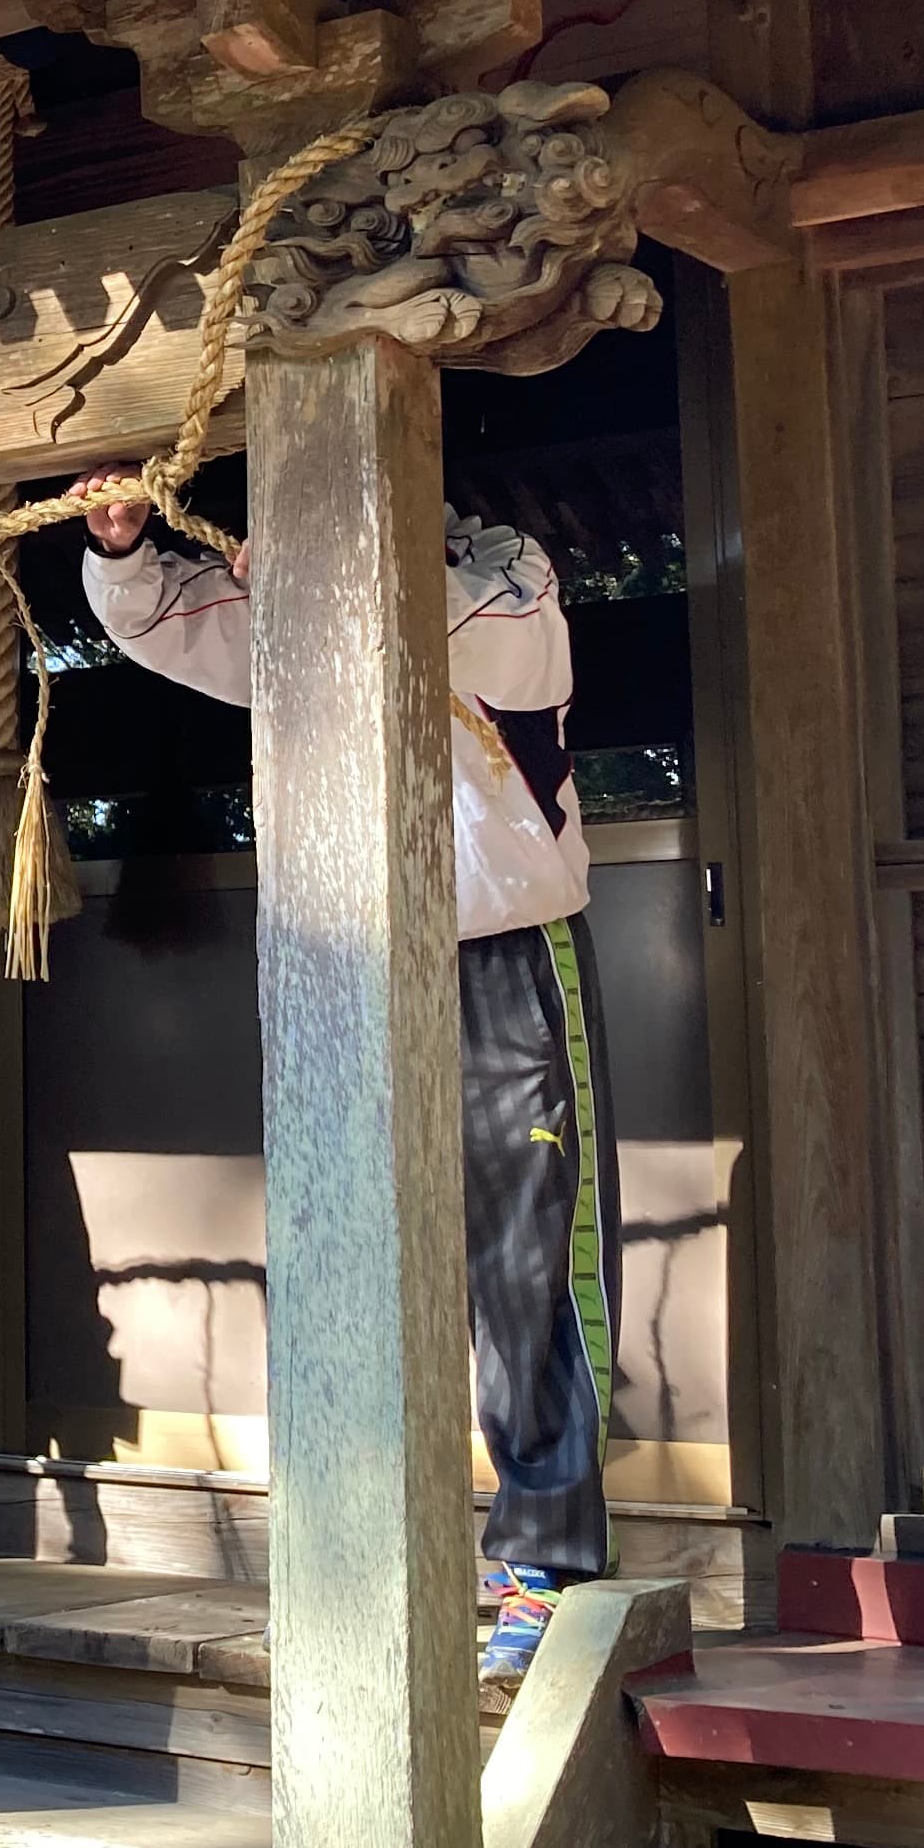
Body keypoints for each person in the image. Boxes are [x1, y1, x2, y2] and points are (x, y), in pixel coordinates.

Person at [79, 470, 612, 1684]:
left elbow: (471, 631)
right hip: (347, 962)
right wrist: (123, 547)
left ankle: (546, 1564)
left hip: (499, 956)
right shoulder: (306, 615)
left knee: (522, 1266)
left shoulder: (507, 572)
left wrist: (334, 580)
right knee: (346, 1257)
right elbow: (172, 628)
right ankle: (363, 1559)